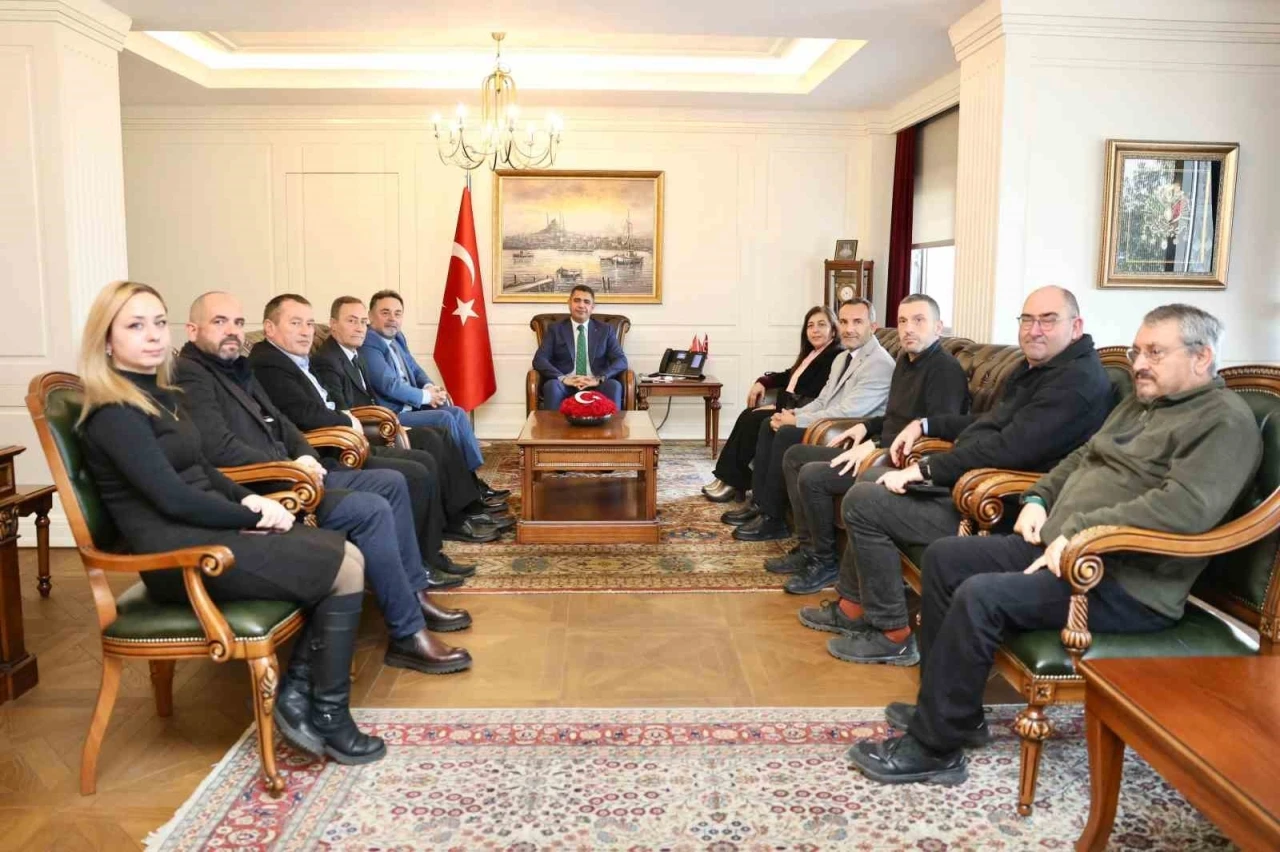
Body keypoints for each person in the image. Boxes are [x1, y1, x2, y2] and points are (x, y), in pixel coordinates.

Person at [849, 304, 1261, 786]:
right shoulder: (1142, 402)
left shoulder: (1224, 422)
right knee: (945, 557)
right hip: (1058, 550)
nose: (1140, 364)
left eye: (1155, 352)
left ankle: (934, 747)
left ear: (1201, 356)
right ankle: (955, 711)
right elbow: (1084, 455)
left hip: (1122, 582)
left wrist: (1081, 529)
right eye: (1137, 351)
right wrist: (1039, 498)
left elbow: (1185, 510)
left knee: (980, 595)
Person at [77, 281, 384, 765]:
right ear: (107, 340)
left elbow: (203, 470)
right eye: (135, 325)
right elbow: (173, 497)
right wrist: (251, 514)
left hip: (208, 533)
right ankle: (328, 714)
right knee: (343, 567)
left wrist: (253, 501)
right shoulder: (114, 412)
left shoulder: (160, 394)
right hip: (181, 556)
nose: (153, 335)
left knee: (346, 553)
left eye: (158, 322)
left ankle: (301, 697)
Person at [796, 286, 1113, 667]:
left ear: (1076, 326)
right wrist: (926, 424)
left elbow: (1009, 449)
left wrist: (925, 468)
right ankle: (852, 607)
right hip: (970, 481)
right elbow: (989, 422)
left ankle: (892, 634)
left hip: (998, 505)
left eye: (1048, 320)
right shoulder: (1040, 370)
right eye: (1027, 320)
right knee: (868, 484)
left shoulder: (1074, 384)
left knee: (865, 501)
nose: (1034, 330)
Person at [177, 292, 472, 675]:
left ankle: (414, 595)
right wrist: (290, 467)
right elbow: (219, 447)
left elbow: (284, 424)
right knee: (373, 505)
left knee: (392, 483)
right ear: (192, 329)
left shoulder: (237, 367)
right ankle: (407, 633)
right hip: (268, 488)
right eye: (219, 322)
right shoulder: (192, 373)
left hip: (299, 472)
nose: (232, 330)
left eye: (236, 322)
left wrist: (305, 457)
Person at [248, 293, 511, 567]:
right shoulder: (288, 361)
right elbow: (314, 412)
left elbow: (405, 374)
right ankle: (442, 536)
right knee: (429, 447)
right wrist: (363, 421)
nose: (306, 331)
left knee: (435, 439)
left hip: (359, 428)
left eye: (309, 324)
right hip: (341, 442)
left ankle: (459, 514)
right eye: (296, 323)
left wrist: (426, 390)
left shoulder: (336, 354)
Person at [775, 294, 969, 592]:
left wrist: (875, 445)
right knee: (795, 455)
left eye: (919, 320)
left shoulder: (944, 370)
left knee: (813, 475)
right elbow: (895, 417)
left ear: (938, 327)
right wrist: (867, 427)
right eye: (903, 321)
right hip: (881, 448)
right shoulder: (906, 361)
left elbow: (933, 435)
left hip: (902, 463)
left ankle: (824, 563)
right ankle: (808, 548)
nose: (908, 329)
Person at [314, 295, 509, 540]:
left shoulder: (359, 350)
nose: (360, 327)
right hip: (380, 421)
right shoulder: (345, 353)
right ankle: (464, 508)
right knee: (439, 430)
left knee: (450, 420)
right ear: (333, 324)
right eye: (352, 321)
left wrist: (429, 387)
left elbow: (414, 369)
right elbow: (377, 391)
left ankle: (470, 497)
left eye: (361, 322)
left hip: (383, 417)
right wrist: (417, 403)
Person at [729, 298, 894, 542]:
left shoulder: (879, 363)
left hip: (850, 434)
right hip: (830, 424)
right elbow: (823, 400)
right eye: (844, 322)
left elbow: (848, 411)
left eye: (857, 322)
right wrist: (792, 415)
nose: (849, 329)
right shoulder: (843, 358)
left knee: (785, 433)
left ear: (873, 326)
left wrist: (796, 423)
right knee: (769, 424)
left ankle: (774, 519)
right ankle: (761, 504)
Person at [361, 289, 506, 501]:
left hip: (411, 406)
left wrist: (430, 386)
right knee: (445, 417)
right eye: (385, 313)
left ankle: (472, 479)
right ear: (371, 316)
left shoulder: (397, 337)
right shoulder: (369, 342)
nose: (392, 318)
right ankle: (465, 485)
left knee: (456, 412)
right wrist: (427, 397)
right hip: (392, 413)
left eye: (397, 313)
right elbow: (389, 385)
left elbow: (415, 368)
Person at [702, 305, 842, 503]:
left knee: (753, 419)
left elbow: (813, 395)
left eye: (821, 325)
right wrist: (763, 381)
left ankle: (732, 482)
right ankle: (727, 479)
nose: (815, 330)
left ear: (833, 330)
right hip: (789, 406)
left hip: (801, 412)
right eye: (810, 326)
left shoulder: (834, 356)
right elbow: (788, 376)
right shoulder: (812, 353)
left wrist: (777, 407)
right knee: (748, 415)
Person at [531, 284, 629, 411]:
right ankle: (553, 425)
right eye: (577, 300)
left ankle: (614, 425)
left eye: (586, 302)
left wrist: (599, 379)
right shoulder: (555, 330)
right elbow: (539, 360)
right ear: (569, 303)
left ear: (592, 307)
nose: (581, 305)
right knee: (552, 386)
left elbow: (621, 360)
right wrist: (563, 378)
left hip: (595, 383)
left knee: (614, 386)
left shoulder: (605, 330)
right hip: (565, 384)